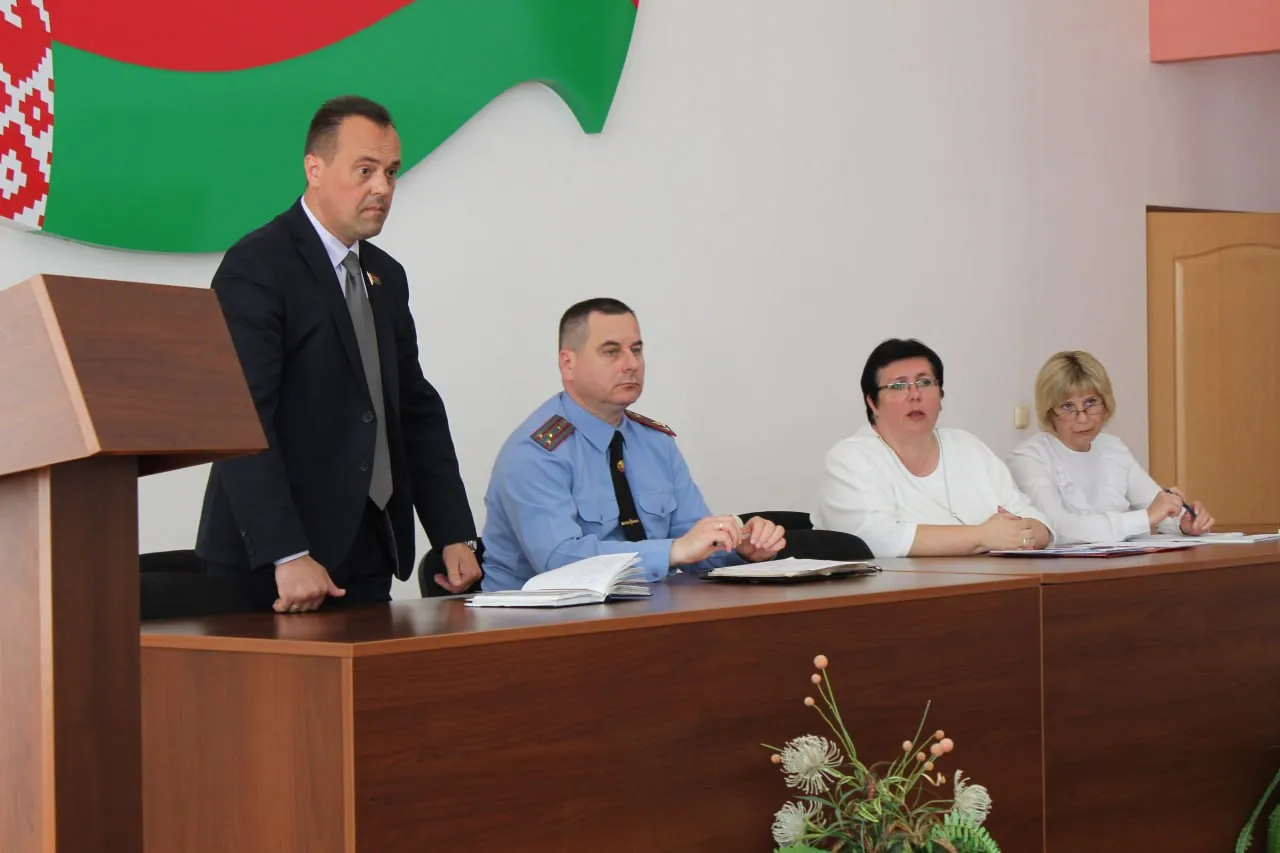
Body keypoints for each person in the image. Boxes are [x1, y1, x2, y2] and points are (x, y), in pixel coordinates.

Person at [196, 95, 481, 613]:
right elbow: (239, 419)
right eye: (365, 170)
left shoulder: (386, 276)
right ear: (315, 169)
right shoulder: (257, 266)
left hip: (369, 549)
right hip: (274, 570)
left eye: (391, 172)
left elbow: (412, 408)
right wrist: (287, 553)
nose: (383, 188)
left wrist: (452, 532)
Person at [480, 298, 786, 592]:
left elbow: (695, 545)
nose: (631, 364)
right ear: (568, 363)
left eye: (636, 350)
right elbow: (558, 561)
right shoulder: (536, 452)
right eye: (611, 352)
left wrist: (741, 548)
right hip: (538, 620)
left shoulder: (655, 443)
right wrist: (674, 551)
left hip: (643, 611)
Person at [814, 338, 1052, 558]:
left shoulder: (967, 447)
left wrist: (1020, 536)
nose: (914, 395)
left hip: (990, 582)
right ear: (872, 402)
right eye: (898, 385)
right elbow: (875, 539)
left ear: (940, 394)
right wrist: (982, 537)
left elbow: (1040, 524)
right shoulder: (850, 458)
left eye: (925, 382)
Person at [1006, 350, 1214, 545]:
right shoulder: (1028, 458)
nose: (1082, 418)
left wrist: (1182, 521)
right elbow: (1056, 528)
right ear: (1049, 412)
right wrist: (1145, 518)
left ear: (1105, 404)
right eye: (1068, 406)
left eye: (1090, 403)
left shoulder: (1113, 448)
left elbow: (1156, 507)